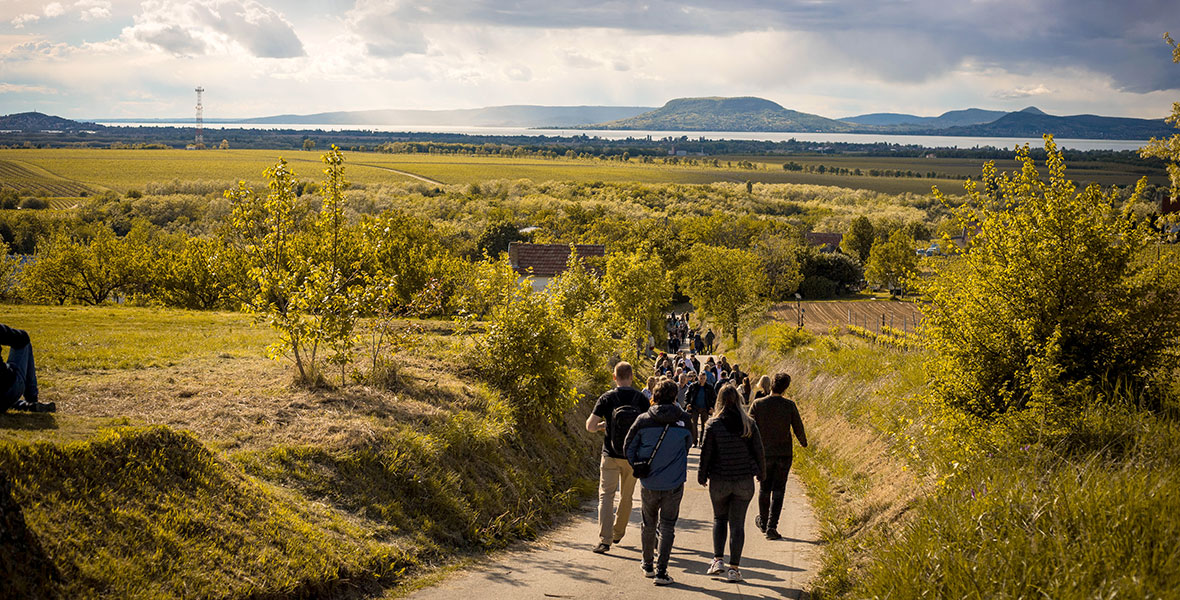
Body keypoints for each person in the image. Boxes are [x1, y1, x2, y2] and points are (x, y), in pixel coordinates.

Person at [624, 379, 693, 586]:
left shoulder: (643, 419)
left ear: (655, 395)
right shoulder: (684, 420)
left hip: (649, 481)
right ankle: (662, 571)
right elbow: (688, 445)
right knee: (668, 526)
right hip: (674, 483)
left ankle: (647, 565)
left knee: (648, 523)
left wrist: (639, 465)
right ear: (674, 397)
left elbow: (628, 446)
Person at [698, 384, 765, 583]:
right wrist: (761, 473)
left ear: (719, 400)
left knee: (719, 519)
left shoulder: (713, 424)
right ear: (738, 400)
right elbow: (759, 451)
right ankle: (734, 569)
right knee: (738, 525)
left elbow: (706, 453)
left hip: (720, 479)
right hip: (743, 480)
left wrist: (702, 475)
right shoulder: (749, 424)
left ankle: (718, 559)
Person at [586, 361, 649, 553]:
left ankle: (605, 540)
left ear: (615, 377)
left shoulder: (606, 398)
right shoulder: (641, 399)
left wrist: (603, 426)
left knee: (606, 496)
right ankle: (618, 533)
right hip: (633, 456)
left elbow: (589, 426)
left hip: (610, 454)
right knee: (627, 496)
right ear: (631, 376)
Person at [749, 372, 808, 540]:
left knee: (764, 488)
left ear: (772, 384)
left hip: (764, 453)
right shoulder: (789, 405)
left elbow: (749, 428)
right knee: (779, 489)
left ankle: (763, 520)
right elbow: (798, 427)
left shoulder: (758, 404)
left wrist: (748, 449)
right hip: (783, 453)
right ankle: (772, 527)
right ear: (785, 387)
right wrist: (803, 442)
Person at [1, 324, 53, 413]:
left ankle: (22, 405)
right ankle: (32, 400)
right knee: (24, 343)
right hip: (7, 390)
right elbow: (23, 337)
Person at [684, 372, 715, 447]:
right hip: (694, 407)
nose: (702, 380)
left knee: (705, 426)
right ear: (698, 378)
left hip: (705, 408)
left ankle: (702, 442)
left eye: (704, 378)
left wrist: (712, 407)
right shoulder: (693, 386)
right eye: (701, 378)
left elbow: (714, 398)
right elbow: (687, 396)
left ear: (706, 379)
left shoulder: (709, 387)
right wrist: (687, 404)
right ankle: (694, 442)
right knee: (694, 425)